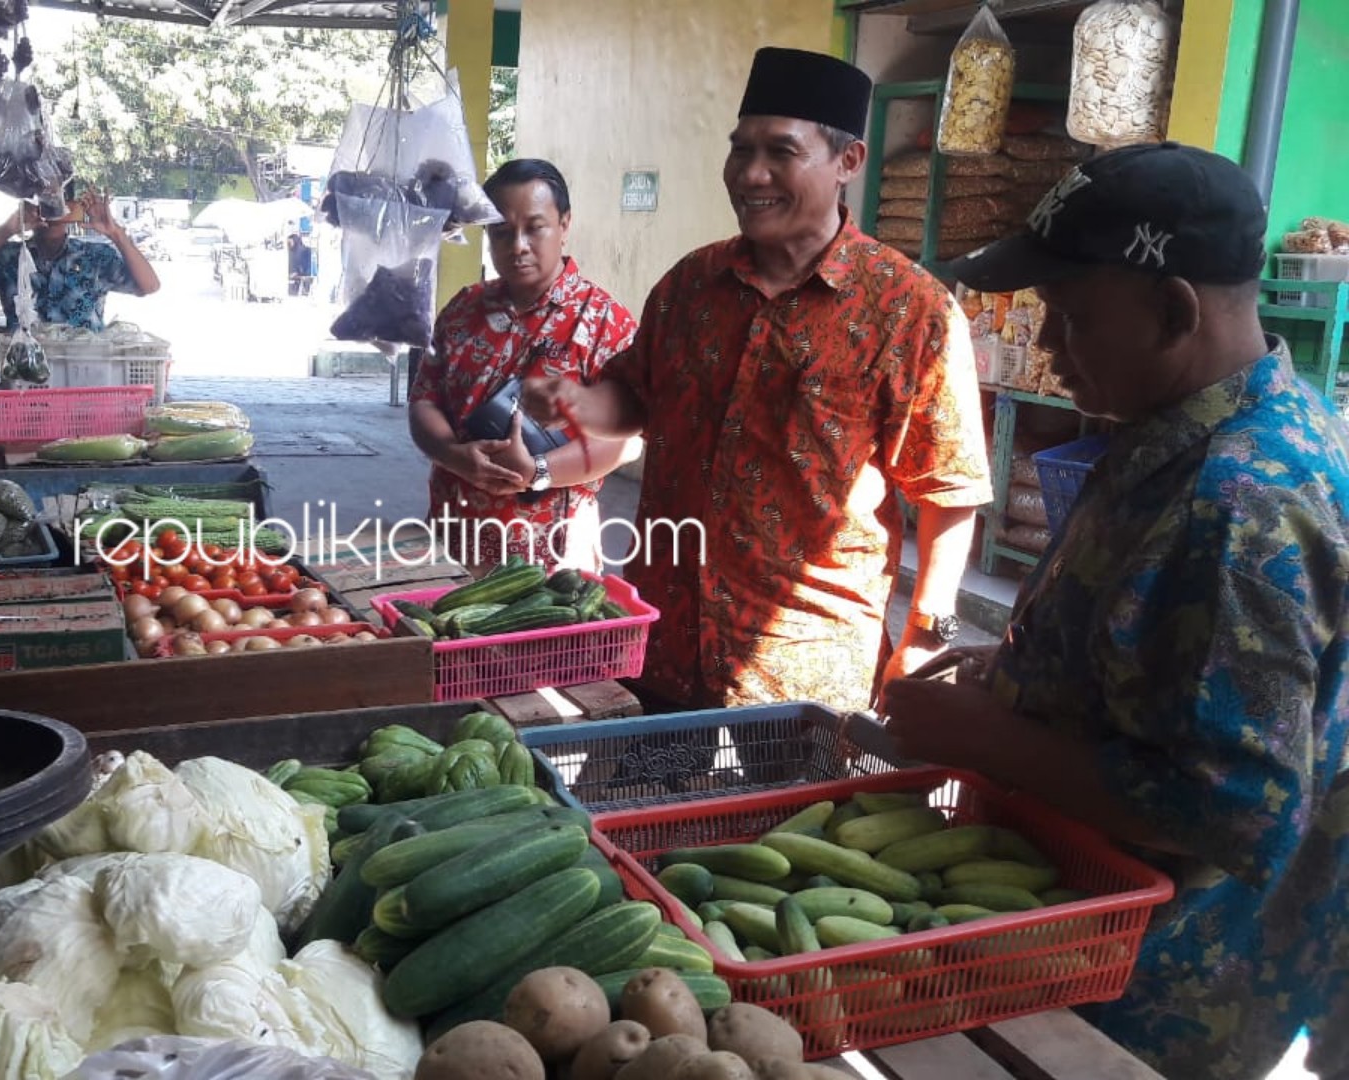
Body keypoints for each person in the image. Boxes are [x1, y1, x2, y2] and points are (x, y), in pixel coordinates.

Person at [879, 144, 1349, 1080]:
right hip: (1089, 930)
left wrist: (983, 737)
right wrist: (1026, 678)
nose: (1050, 344)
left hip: (1155, 985)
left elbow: (1229, 809)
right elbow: (1168, 659)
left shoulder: (1241, 501)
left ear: (1175, 311)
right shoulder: (1189, 427)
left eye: (1073, 317)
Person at [522, 48, 992, 715]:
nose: (751, 174)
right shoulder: (690, 284)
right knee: (649, 786)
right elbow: (635, 398)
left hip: (806, 666)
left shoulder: (910, 310)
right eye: (740, 150)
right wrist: (577, 402)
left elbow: (950, 489)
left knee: (801, 793)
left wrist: (925, 635)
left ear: (848, 161)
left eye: (781, 151)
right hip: (665, 644)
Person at [409, 158, 639, 572]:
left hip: (551, 563)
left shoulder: (607, 322)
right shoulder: (463, 309)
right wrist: (453, 455)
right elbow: (424, 400)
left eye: (535, 227)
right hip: (451, 546)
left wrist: (538, 471)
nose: (517, 245)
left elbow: (627, 440)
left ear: (564, 224)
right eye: (501, 231)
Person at [0, 186, 161, 331]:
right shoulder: (7, 257)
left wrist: (116, 233)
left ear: (71, 208)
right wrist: (7, 229)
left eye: (59, 204)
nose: (52, 212)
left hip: (84, 359)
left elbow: (150, 286)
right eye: (44, 203)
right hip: (24, 360)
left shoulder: (95, 257)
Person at [287, 231, 314, 296]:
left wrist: (297, 273)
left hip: (304, 277)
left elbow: (308, 266)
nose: (288, 245)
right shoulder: (292, 252)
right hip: (295, 278)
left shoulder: (305, 251)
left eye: (289, 243)